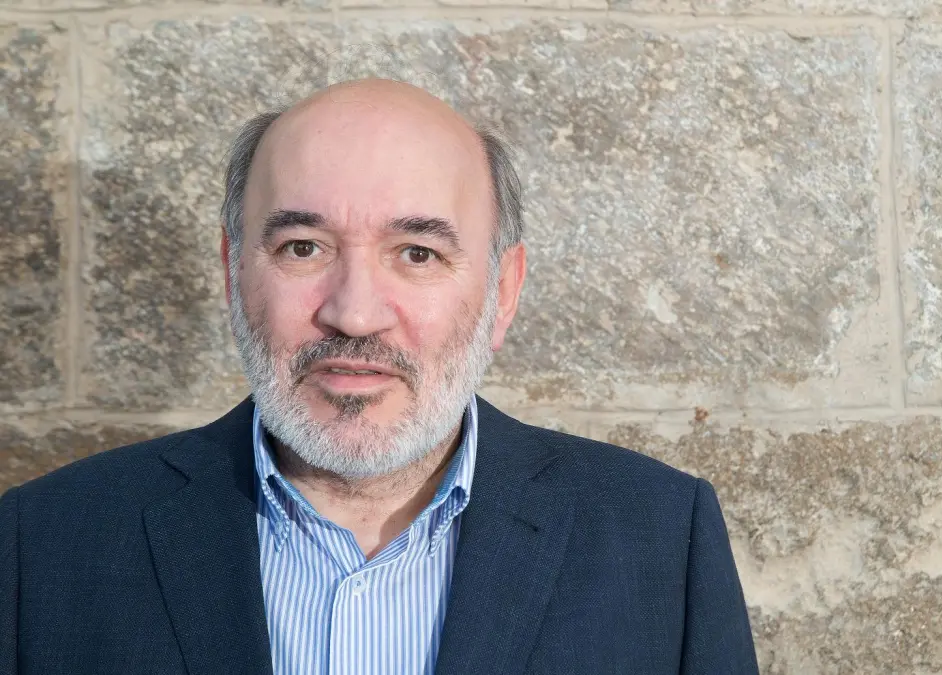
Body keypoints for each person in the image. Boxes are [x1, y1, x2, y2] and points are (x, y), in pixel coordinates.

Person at [0, 78, 758, 675]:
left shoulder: (662, 540)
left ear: (503, 291)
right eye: (303, 247)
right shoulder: (44, 544)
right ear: (234, 274)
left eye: (417, 253)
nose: (355, 314)